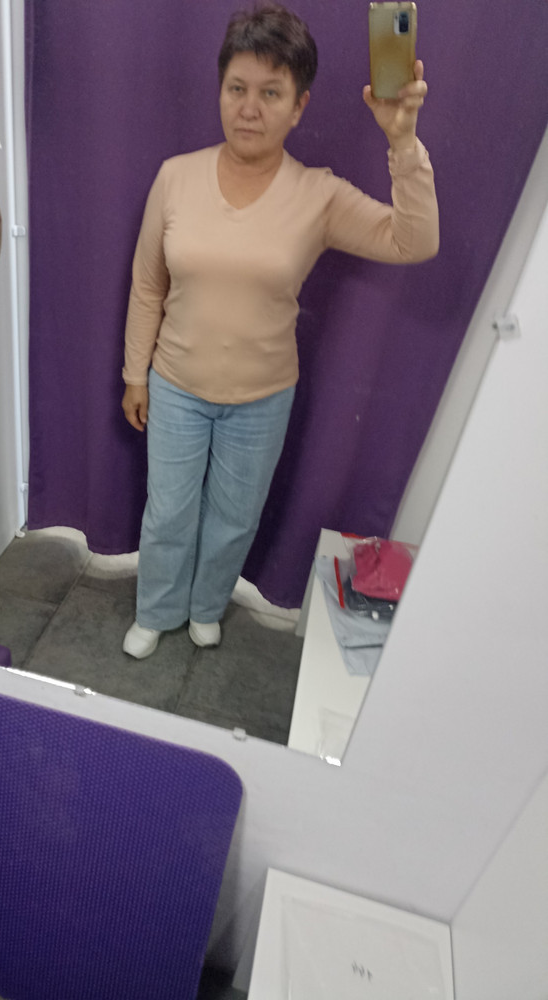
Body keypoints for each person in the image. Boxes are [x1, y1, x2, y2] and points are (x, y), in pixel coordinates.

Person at [121, 3, 438, 659]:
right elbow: (148, 283)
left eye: (271, 93)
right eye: (236, 88)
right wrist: (134, 374)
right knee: (168, 512)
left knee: (234, 519)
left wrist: (402, 144)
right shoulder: (175, 176)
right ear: (219, 90)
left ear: (299, 106)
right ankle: (156, 608)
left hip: (263, 398)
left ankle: (206, 607)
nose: (249, 108)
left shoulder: (319, 195)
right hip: (175, 384)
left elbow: (415, 242)